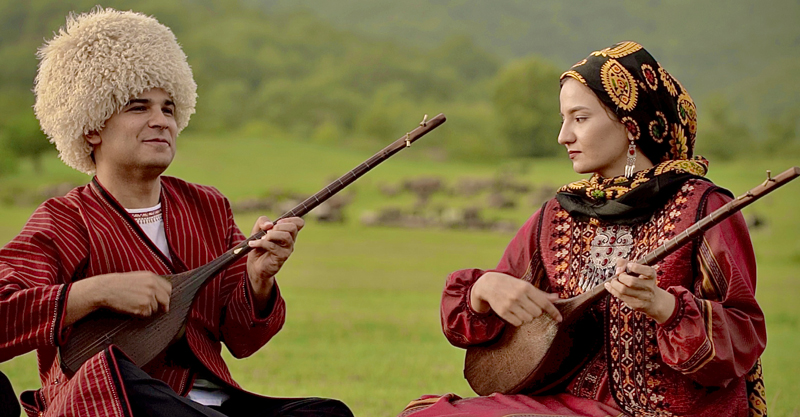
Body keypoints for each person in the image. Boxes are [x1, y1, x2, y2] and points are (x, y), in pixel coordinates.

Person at [0, 8, 353, 417]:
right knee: (118, 375)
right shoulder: (63, 220)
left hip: (214, 403)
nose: (160, 121)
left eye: (168, 108)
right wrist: (94, 292)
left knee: (328, 413)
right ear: (91, 126)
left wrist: (258, 278)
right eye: (138, 107)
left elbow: (243, 340)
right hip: (118, 402)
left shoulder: (207, 206)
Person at [398, 41, 767, 417]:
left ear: (630, 124)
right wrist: (483, 289)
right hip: (561, 405)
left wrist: (663, 306)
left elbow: (743, 334)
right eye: (563, 119)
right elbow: (483, 325)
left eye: (580, 118)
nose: (564, 136)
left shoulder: (705, 207)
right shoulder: (559, 213)